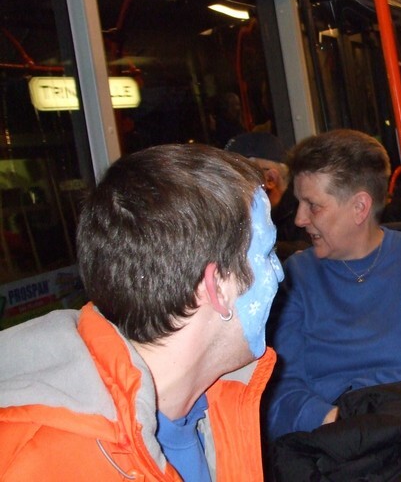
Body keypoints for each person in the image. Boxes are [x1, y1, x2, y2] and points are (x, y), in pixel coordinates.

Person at [0, 143, 283, 481]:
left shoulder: (219, 406)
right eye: (268, 254)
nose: (281, 272)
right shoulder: (38, 464)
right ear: (216, 288)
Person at [264, 130, 401, 474]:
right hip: (326, 444)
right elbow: (279, 390)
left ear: (360, 207)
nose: (300, 219)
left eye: (313, 205)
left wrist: (353, 411)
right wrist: (339, 422)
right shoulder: (295, 278)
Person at [226, 131, 310, 261]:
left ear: (270, 179)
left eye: (238, 178)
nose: (230, 187)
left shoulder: (308, 212)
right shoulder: (247, 215)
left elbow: (307, 250)